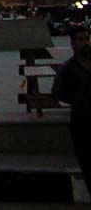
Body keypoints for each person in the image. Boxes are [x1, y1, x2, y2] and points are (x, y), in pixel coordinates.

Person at [52, 26, 91, 195]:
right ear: (73, 44)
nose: (85, 43)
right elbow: (58, 93)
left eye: (87, 39)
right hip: (82, 122)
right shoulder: (67, 69)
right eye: (81, 40)